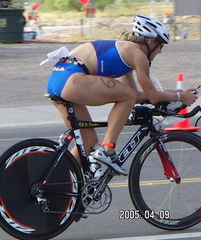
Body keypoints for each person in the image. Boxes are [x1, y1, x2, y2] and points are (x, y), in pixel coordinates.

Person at [45, 14, 197, 175]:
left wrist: (166, 94)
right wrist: (181, 97)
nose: (160, 51)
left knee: (89, 142)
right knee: (127, 96)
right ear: (151, 42)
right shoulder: (138, 55)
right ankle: (107, 150)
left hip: (58, 80)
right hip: (71, 79)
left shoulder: (126, 52)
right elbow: (150, 97)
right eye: (161, 46)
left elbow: (138, 96)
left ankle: (58, 181)